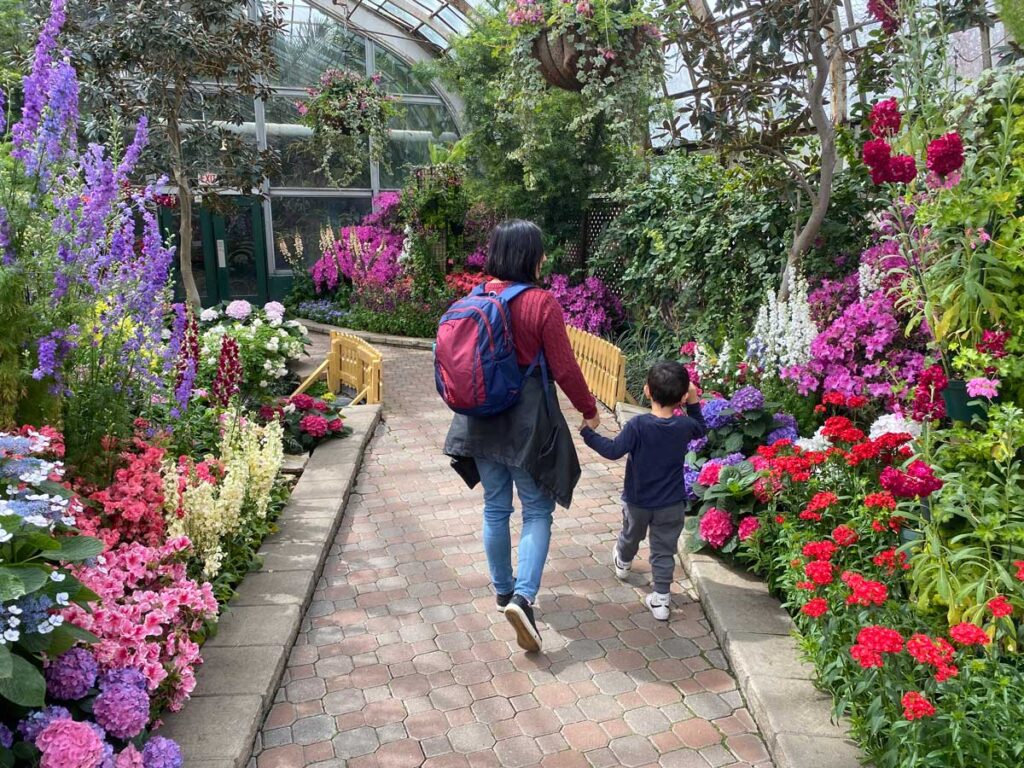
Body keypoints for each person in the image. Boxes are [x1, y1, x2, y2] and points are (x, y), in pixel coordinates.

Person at [443, 220, 599, 653]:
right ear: (530, 255)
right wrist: (588, 409)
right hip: (526, 420)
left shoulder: (475, 297)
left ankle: (502, 590)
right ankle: (523, 599)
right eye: (541, 251)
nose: (545, 258)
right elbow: (564, 368)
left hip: (478, 418)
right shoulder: (540, 302)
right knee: (536, 510)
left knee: (495, 506)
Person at [580, 361, 705, 620]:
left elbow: (613, 450)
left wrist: (588, 433)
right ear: (682, 396)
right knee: (663, 549)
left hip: (638, 501)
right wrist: (692, 400)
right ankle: (661, 599)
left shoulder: (638, 426)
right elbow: (700, 427)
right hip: (671, 503)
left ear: (647, 391)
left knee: (631, 535)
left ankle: (623, 562)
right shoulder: (684, 427)